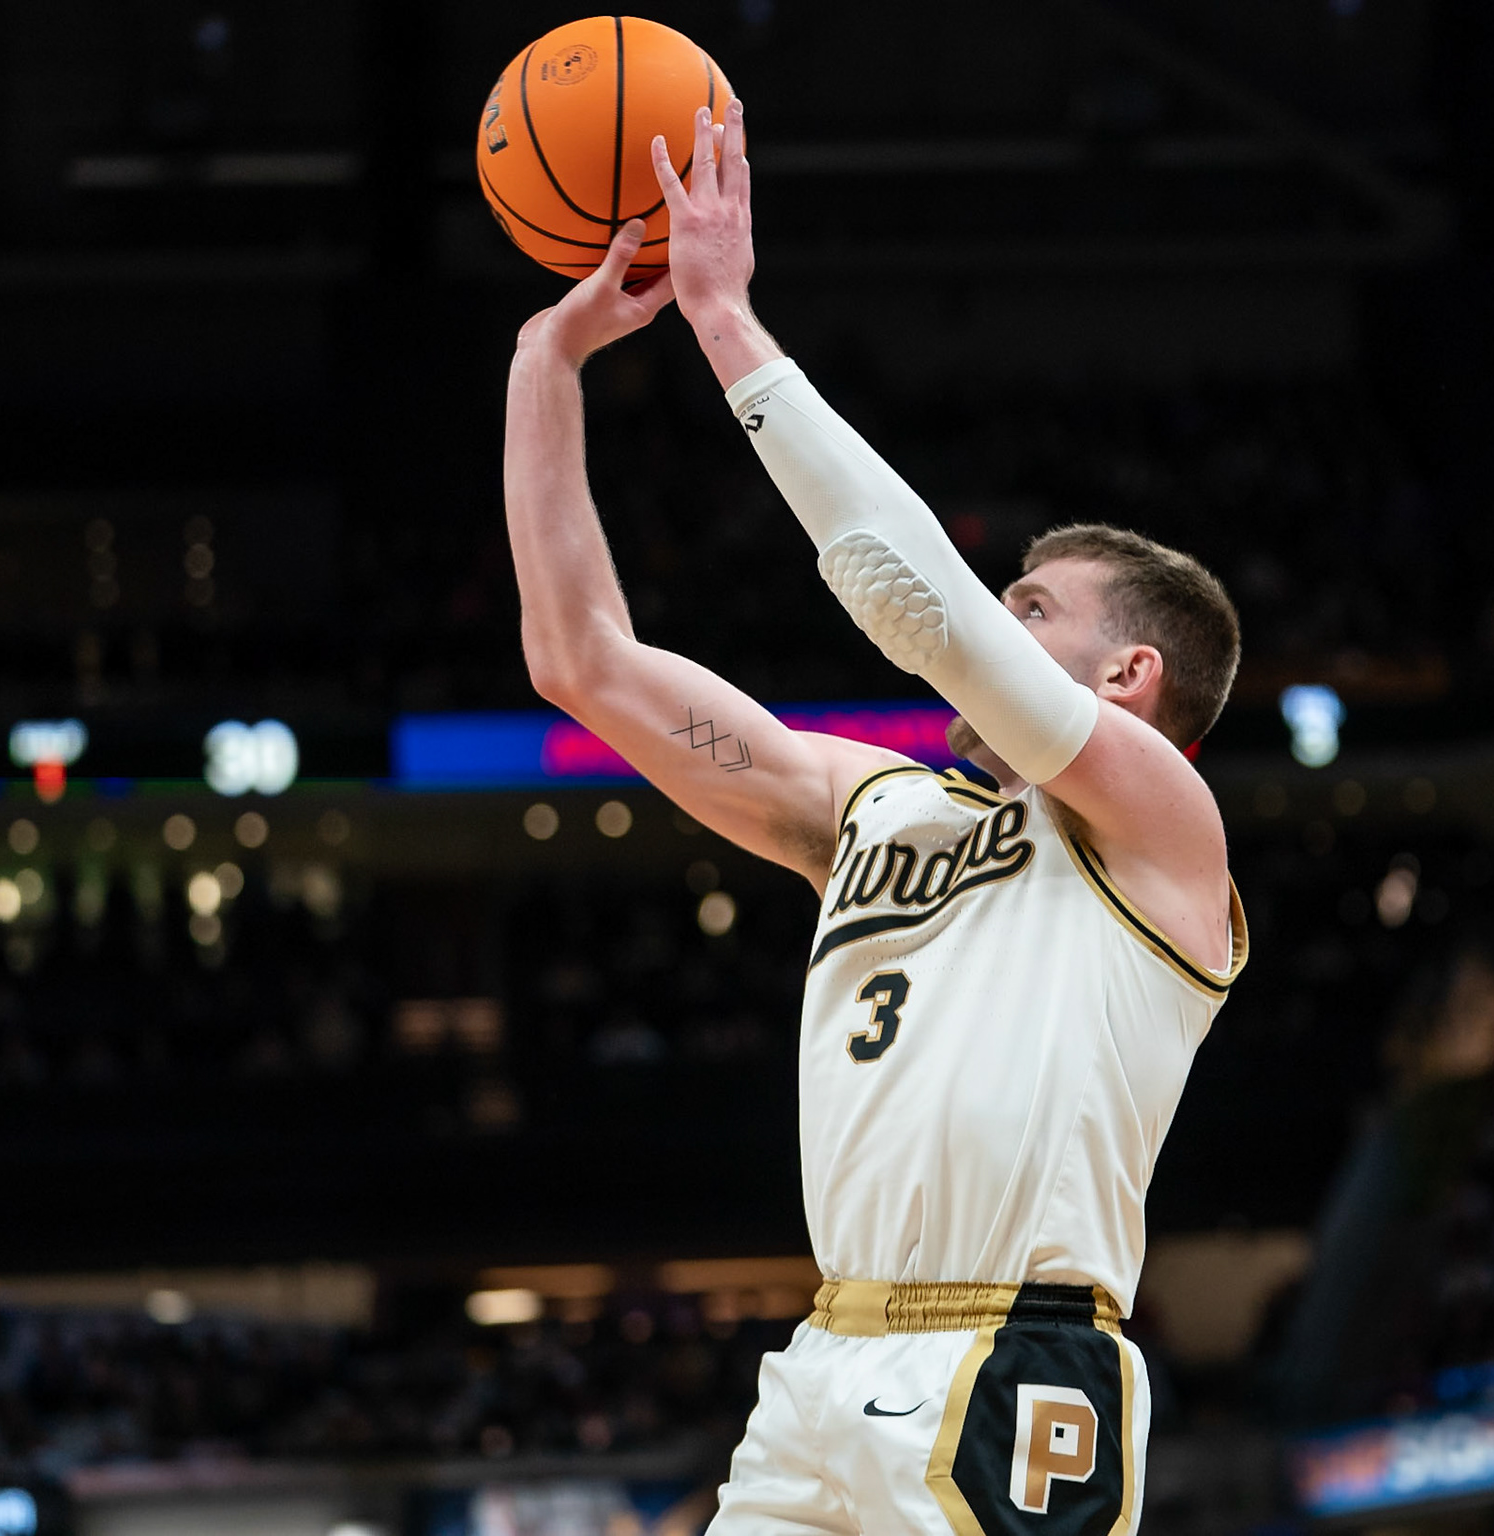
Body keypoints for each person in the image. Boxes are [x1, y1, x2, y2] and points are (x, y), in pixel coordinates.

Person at [502, 97, 1246, 1535]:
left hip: (1014, 1357)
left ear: (1129, 675)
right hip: (825, 1360)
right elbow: (580, 662)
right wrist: (549, 363)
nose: (1000, 622)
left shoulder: (1167, 831)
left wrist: (726, 322)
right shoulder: (870, 804)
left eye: (1036, 608)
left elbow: (930, 614)